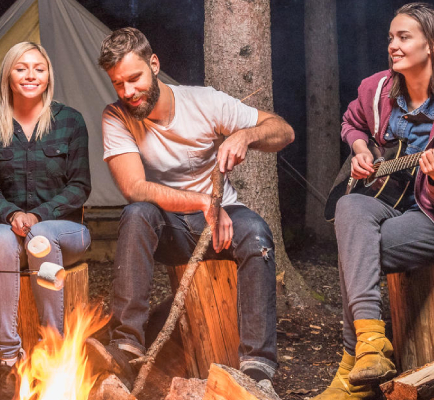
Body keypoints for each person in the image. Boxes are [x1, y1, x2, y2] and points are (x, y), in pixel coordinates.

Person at [86, 27, 294, 388]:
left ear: (154, 64)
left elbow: (283, 131)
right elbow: (135, 187)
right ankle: (126, 344)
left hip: (221, 220)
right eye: (119, 84)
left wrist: (246, 134)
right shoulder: (116, 116)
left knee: (257, 233)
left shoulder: (204, 102)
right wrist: (202, 201)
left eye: (134, 79)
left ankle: (258, 368)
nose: (128, 92)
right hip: (167, 226)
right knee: (136, 214)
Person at [312, 3, 434, 399]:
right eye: (390, 38)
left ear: (432, 45)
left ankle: (354, 368)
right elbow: (351, 122)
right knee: (349, 207)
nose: (393, 46)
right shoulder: (378, 88)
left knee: (357, 249)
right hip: (388, 198)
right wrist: (361, 150)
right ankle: (372, 348)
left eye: (403, 37)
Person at [0, 41, 92, 400]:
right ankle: (8, 357)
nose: (30, 75)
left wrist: (37, 215)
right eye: (21, 68)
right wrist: (10, 215)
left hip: (66, 230)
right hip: (9, 227)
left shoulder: (70, 120)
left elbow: (80, 186)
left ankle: (53, 349)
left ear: (48, 75)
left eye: (39, 68)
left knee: (40, 234)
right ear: (8, 74)